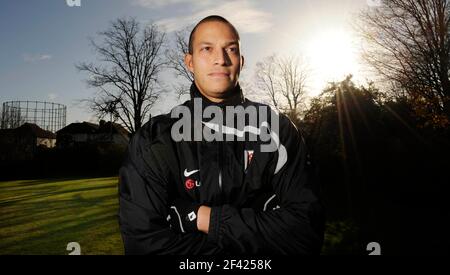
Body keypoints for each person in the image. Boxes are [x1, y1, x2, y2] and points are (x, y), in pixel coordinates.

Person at [118, 15, 324, 255]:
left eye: (231, 49)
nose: (220, 59)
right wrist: (260, 229)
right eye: (207, 49)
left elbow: (305, 234)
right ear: (190, 62)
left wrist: (202, 218)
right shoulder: (154, 139)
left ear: (241, 61)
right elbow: (143, 245)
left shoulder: (278, 130)